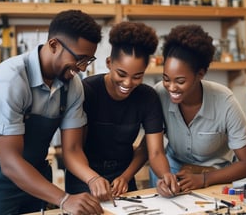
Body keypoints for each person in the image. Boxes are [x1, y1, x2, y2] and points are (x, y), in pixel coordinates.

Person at [0, 10, 104, 215]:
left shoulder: (73, 86)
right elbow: (10, 162)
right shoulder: (11, 79)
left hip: (36, 176)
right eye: (79, 59)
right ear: (54, 45)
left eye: (88, 61)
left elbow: (73, 150)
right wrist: (64, 199)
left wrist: (93, 178)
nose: (82, 68)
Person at [62, 21, 180, 202]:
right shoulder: (86, 91)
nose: (127, 84)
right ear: (109, 63)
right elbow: (72, 149)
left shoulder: (148, 98)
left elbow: (155, 152)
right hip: (83, 178)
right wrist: (93, 179)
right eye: (121, 74)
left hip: (122, 180)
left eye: (137, 76)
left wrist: (165, 175)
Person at [151, 24, 246, 195]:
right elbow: (154, 150)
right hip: (172, 172)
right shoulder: (159, 94)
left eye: (180, 81)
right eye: (166, 79)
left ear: (200, 74)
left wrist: (204, 179)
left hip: (215, 177)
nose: (171, 87)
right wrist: (164, 176)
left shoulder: (225, 101)